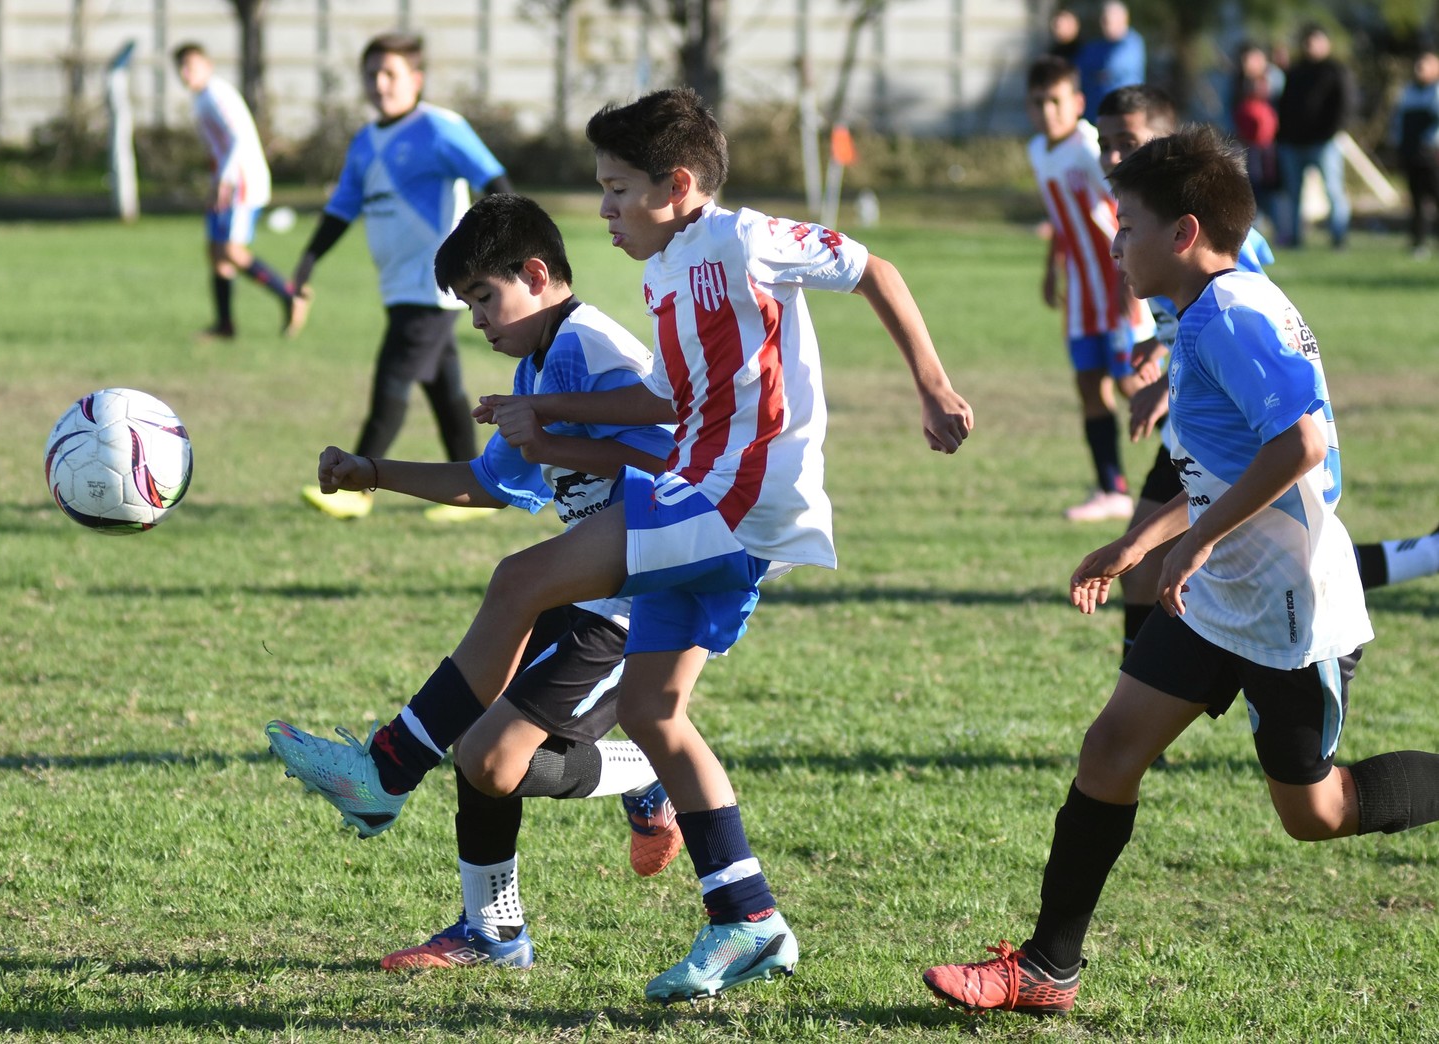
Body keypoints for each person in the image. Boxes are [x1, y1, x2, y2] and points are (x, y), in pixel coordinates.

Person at [269, 86, 974, 1002]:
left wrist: (931, 383)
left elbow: (872, 267)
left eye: (614, 190)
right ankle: (747, 918)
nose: (601, 210)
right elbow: (666, 407)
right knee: (652, 711)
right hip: (703, 496)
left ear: (677, 185)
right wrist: (515, 438)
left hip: (737, 496)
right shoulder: (664, 275)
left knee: (519, 580)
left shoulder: (738, 238)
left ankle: (388, 767)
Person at [923, 124, 1439, 1015]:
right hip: (1213, 595)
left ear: (1183, 233)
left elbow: (1303, 445)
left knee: (1312, 815)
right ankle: (1046, 970)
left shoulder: (1232, 317)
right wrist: (1142, 542)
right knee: (1109, 751)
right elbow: (1227, 464)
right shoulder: (1205, 311)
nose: (1113, 241)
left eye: (1125, 224)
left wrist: (1192, 544)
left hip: (1289, 608)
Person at [270, 193, 683, 970]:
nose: (477, 321)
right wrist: (374, 473)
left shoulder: (589, 348)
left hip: (642, 603)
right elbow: (491, 483)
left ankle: (387, 772)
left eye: (485, 298)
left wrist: (553, 428)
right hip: (584, 587)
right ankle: (494, 930)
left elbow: (684, 461)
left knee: (493, 750)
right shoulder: (540, 359)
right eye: (467, 305)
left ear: (536, 273)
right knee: (487, 757)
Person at [1099, 85, 1439, 662]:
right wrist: (1162, 369)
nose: (1112, 157)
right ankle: (1138, 689)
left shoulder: (1221, 278)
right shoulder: (1157, 237)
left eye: (1127, 143)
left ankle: (1425, 555)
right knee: (1164, 558)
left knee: (1263, 547)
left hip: (1222, 421)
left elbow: (1240, 321)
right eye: (1105, 144)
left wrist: (1169, 385)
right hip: (1201, 412)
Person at [294, 32, 513, 521]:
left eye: (390, 73)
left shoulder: (440, 127)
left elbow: (495, 180)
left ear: (415, 79)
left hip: (432, 285)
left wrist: (502, 244)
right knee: (443, 385)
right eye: (371, 73)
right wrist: (308, 260)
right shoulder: (365, 141)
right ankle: (481, 490)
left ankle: (355, 486)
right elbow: (341, 209)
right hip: (397, 286)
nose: (379, 83)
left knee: (392, 377)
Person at [1025, 56, 1158, 523]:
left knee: (1131, 382)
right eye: (1038, 103)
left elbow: (1120, 212)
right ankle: (1112, 489)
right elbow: (1063, 217)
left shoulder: (1090, 146)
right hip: (1081, 291)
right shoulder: (1038, 151)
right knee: (1088, 384)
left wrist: (1130, 275)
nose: (1047, 112)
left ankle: (1197, 462)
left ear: (1075, 102)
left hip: (1118, 282)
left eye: (1055, 101)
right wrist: (1051, 266)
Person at [172, 43, 310, 341]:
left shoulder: (216, 94)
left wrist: (224, 179)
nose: (185, 73)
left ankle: (290, 295)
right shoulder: (202, 97)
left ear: (207, 66)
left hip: (242, 181)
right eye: (181, 68)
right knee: (216, 251)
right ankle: (225, 325)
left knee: (231, 251)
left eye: (191, 66)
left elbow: (237, 138)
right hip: (226, 180)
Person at [1276, 25, 1356, 249]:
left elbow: (1345, 105)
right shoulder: (1296, 72)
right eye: (1308, 42)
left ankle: (1339, 237)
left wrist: (1332, 132)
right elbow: (1285, 105)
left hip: (1324, 143)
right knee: (1294, 195)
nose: (1311, 47)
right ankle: (1294, 237)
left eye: (1316, 42)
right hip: (1293, 143)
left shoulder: (1335, 71)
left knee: (1333, 190)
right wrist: (1282, 136)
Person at [1388, 49, 1439, 259]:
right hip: (1412, 154)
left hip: (1432, 155)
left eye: (1425, 64)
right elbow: (1399, 121)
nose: (1420, 68)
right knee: (1417, 200)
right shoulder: (1408, 91)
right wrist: (1399, 143)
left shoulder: (1436, 91)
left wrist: (1430, 144)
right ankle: (1418, 242)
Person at [1231, 44, 1282, 234]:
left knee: (1268, 187)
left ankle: (1277, 227)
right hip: (1244, 145)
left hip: (1267, 146)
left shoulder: (1273, 79)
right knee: (1249, 186)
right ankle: (1253, 227)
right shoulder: (1237, 83)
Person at [1076, 2, 1146, 116]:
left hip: (1124, 112)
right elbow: (1079, 70)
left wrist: (1095, 73)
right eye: (1102, 20)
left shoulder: (1132, 42)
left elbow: (1112, 65)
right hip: (1095, 112)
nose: (1104, 24)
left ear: (1123, 19)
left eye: (1107, 20)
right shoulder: (1096, 45)